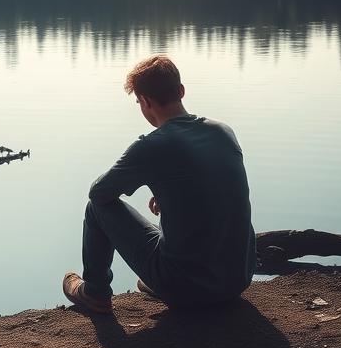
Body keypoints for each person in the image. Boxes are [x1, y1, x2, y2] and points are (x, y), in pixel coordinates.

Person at [63, 54, 256, 313]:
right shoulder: (223, 132)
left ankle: (95, 292)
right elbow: (206, 187)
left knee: (96, 207)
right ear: (181, 91)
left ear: (145, 102)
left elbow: (99, 193)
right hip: (237, 280)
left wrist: (156, 179)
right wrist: (170, 192)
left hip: (187, 289)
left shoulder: (151, 145)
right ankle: (171, 281)